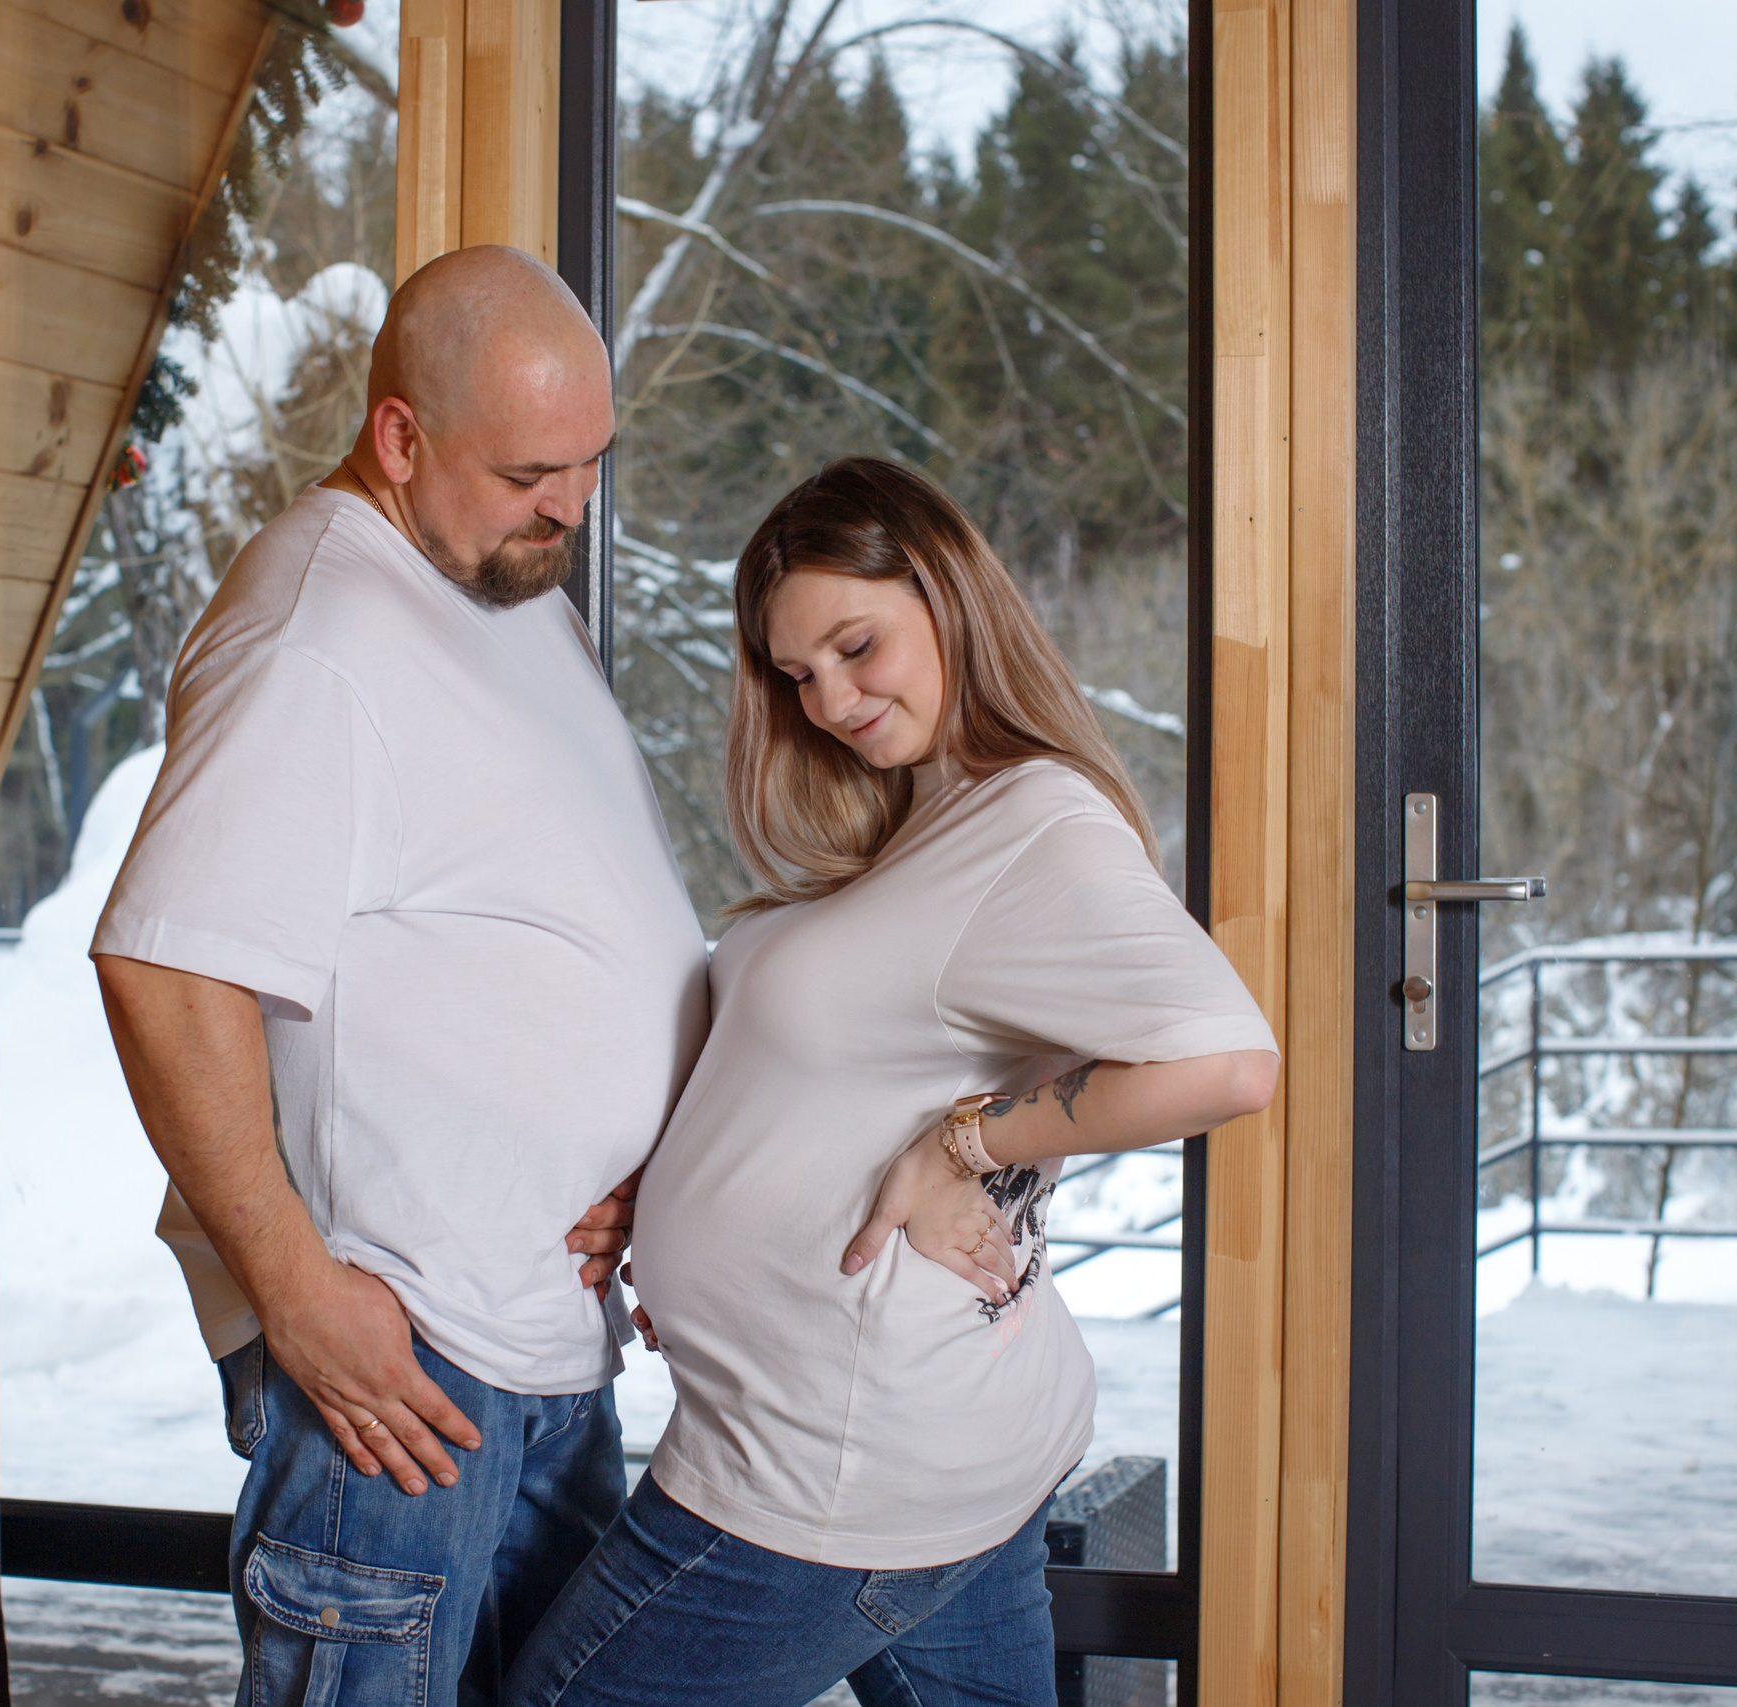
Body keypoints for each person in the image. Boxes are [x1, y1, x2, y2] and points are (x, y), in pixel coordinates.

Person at [504, 457, 1279, 1707]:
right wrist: (691, 1187)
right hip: (920, 1437)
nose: (832, 699)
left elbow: (1228, 1063)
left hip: (833, 1473)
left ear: (949, 595)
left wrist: (961, 1144)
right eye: (798, 674)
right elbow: (839, 1058)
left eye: (858, 646)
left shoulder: (1037, 826)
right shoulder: (929, 818)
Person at [91, 245, 711, 1707]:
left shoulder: (497, 585)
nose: (569, 502)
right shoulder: (320, 630)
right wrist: (294, 1289)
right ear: (399, 436)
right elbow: (163, 965)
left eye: (589, 461)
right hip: (408, 1369)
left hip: (540, 1341)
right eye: (529, 470)